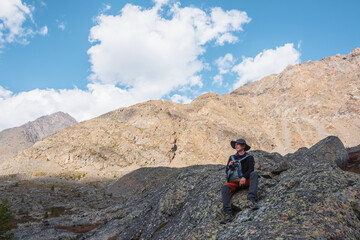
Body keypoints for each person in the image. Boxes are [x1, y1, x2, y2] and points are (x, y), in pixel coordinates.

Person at [220, 138, 259, 224]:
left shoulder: (249, 157)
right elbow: (227, 172)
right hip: (234, 182)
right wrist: (229, 166)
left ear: (243, 146)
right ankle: (228, 214)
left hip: (245, 181)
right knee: (225, 187)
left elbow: (251, 169)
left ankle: (251, 199)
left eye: (238, 144)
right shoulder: (232, 157)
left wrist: (244, 177)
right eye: (235, 144)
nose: (236, 146)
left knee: (254, 174)